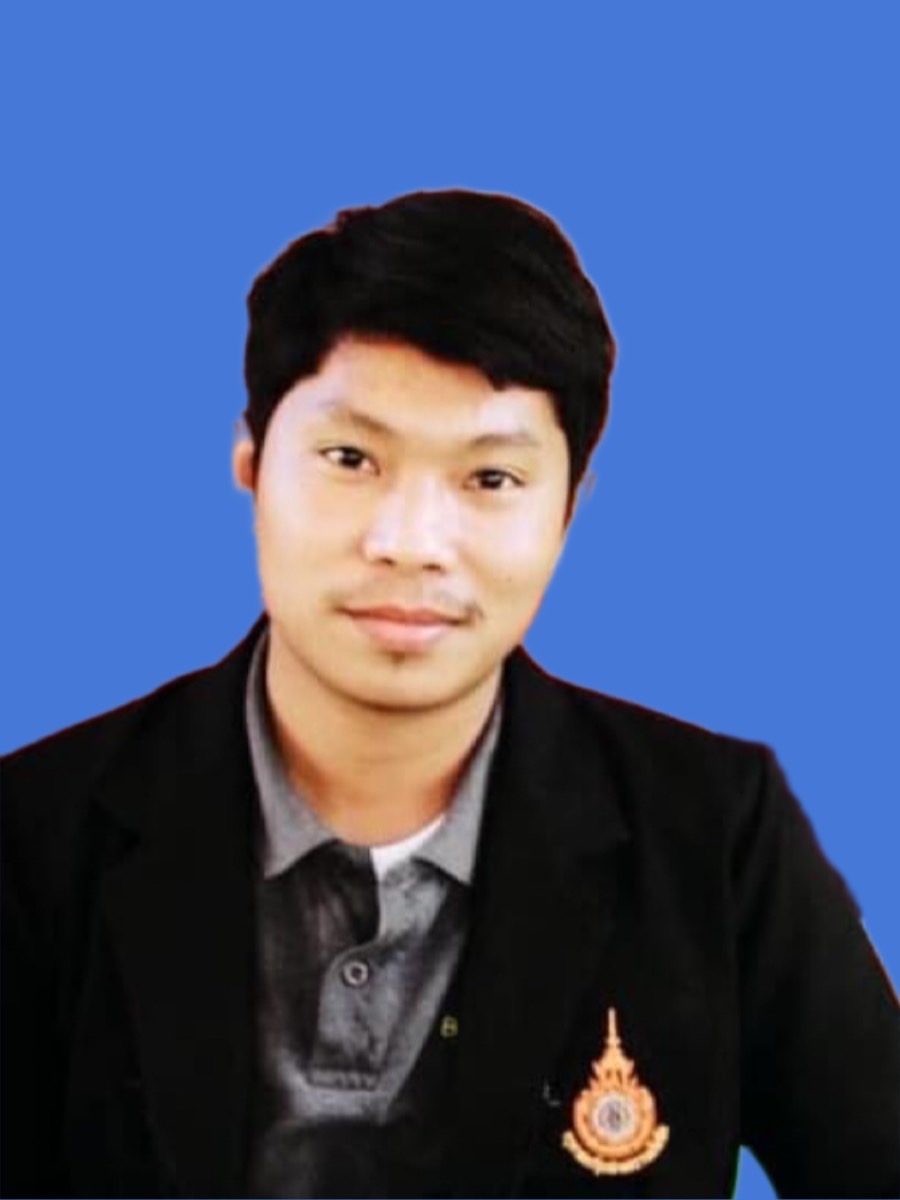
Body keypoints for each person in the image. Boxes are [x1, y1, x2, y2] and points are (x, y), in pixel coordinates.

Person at [1, 189, 897, 1200]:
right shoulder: (37, 836)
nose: (411, 541)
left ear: (570, 505)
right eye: (351, 459)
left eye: (490, 479)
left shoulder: (714, 833)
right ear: (251, 463)